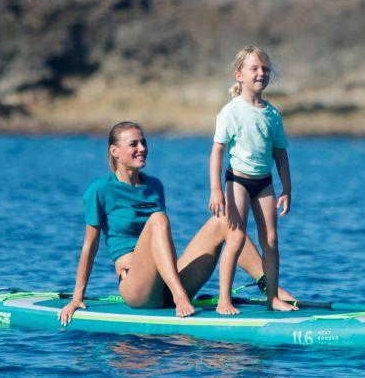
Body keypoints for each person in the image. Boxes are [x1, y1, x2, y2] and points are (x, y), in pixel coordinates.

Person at [58, 121, 294, 325]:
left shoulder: (154, 186)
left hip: (168, 278)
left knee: (224, 219)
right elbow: (90, 247)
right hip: (137, 288)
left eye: (144, 143)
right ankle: (180, 295)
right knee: (158, 219)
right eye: (134, 144)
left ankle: (270, 288)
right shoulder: (100, 190)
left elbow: (160, 241)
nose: (142, 149)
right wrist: (77, 297)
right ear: (115, 151)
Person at [209, 45, 297, 314]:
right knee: (235, 239)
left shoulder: (272, 114)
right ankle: (224, 299)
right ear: (239, 75)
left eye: (265, 69)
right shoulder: (231, 111)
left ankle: (273, 298)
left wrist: (287, 188)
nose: (261, 73)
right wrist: (215, 189)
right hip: (237, 181)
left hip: (265, 183)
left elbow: (280, 153)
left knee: (270, 240)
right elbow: (217, 151)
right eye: (254, 68)